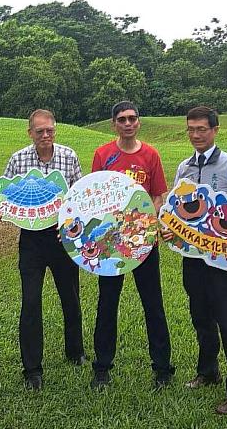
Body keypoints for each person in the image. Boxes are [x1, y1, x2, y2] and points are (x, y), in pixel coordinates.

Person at [166, 106, 227, 415]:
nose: (196, 135)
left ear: (215, 130)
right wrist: (171, 233)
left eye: (202, 129)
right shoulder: (183, 168)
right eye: (191, 129)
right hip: (193, 259)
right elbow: (175, 211)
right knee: (201, 316)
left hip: (226, 262)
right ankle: (208, 371)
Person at [0, 109, 85, 391]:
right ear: (30, 133)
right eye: (40, 132)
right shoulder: (18, 159)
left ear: (54, 130)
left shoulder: (69, 156)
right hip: (32, 240)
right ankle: (32, 368)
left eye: (50, 130)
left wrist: (72, 226)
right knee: (31, 302)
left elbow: (79, 197)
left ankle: (75, 352)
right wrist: (1, 210)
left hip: (62, 240)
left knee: (71, 298)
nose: (45, 136)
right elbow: (4, 196)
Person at [90, 101, 174, 391]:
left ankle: (162, 368)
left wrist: (141, 228)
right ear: (114, 124)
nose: (128, 123)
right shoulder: (103, 154)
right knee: (107, 303)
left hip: (143, 242)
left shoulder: (150, 154)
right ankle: (102, 368)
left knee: (153, 304)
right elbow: (96, 198)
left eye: (132, 119)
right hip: (110, 245)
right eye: (122, 119)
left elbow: (158, 196)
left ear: (138, 123)